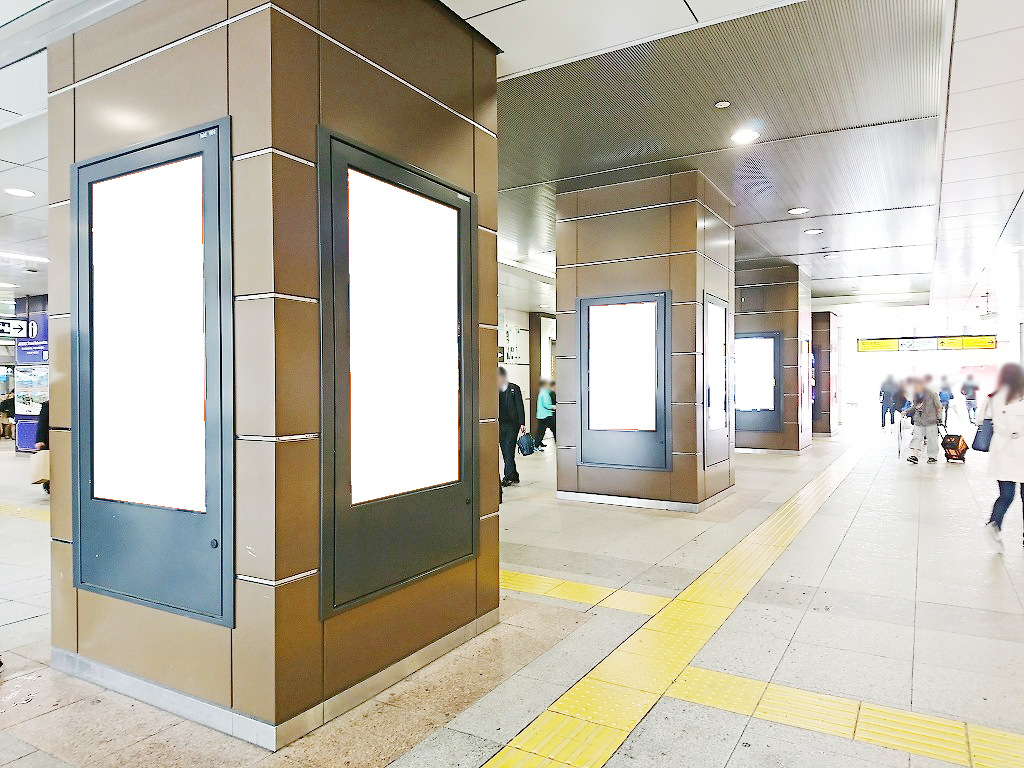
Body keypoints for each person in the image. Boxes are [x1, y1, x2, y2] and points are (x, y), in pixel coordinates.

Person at [982, 363, 1024, 552]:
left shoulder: (993, 397)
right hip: (1020, 450)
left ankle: (994, 524)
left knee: (1006, 495)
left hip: (1001, 451)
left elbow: (980, 419)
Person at [497, 367, 525, 487]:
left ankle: (507, 476)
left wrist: (522, 423)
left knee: (508, 449)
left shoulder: (514, 388)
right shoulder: (495, 390)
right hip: (500, 424)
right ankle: (514, 475)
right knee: (505, 450)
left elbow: (520, 406)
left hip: (513, 425)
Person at [907, 378, 942, 464]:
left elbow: (939, 407)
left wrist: (939, 419)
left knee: (932, 439)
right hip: (919, 420)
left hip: (931, 420)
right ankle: (915, 456)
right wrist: (907, 411)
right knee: (917, 437)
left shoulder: (932, 394)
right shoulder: (916, 395)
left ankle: (932, 456)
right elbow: (914, 406)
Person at [533, 379, 556, 450]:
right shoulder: (545, 393)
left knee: (540, 431)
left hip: (541, 415)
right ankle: (558, 443)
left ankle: (537, 445)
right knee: (555, 429)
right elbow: (547, 405)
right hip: (546, 415)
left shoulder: (542, 392)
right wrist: (555, 407)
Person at [34, 399, 49, 494]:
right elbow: (42, 423)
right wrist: (39, 440)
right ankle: (48, 484)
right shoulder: (47, 404)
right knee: (49, 463)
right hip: (49, 440)